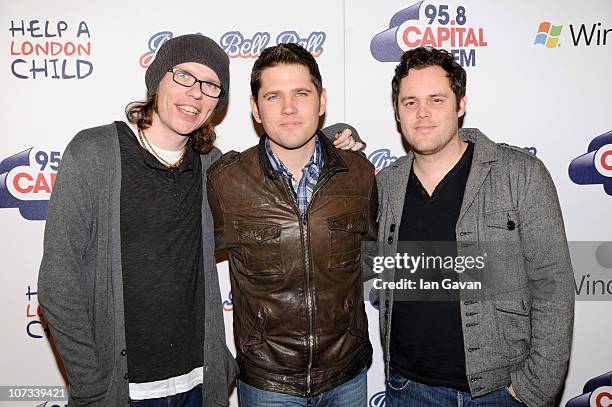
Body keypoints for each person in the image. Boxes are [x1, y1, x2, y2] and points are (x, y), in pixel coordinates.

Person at [37, 34, 361, 407]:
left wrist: (334, 138)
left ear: (217, 104)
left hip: (201, 388)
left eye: (210, 85)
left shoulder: (214, 167)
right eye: (183, 76)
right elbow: (57, 283)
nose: (195, 93)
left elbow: (283, 160)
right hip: (122, 393)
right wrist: (92, 388)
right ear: (156, 79)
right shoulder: (94, 153)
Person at [374, 47, 574, 407]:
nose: (422, 113)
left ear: (460, 103)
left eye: (436, 99)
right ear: (397, 112)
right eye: (409, 102)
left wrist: (533, 390)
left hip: (500, 393)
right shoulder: (385, 185)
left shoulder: (520, 174)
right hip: (408, 390)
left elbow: (553, 285)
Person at [207, 43, 377, 407]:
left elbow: (371, 253)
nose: (288, 108)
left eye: (301, 93)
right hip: (268, 382)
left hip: (347, 376)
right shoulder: (225, 183)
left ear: (321, 100)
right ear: (255, 108)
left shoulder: (359, 174)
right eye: (273, 96)